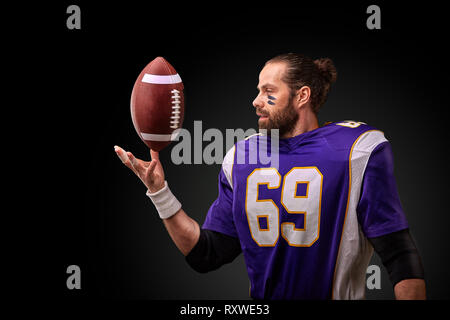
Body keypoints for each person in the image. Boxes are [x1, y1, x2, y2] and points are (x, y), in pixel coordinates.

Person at [114, 53, 425, 300]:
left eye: (268, 91)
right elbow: (205, 254)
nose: (256, 100)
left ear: (302, 96)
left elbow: (399, 256)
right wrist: (160, 192)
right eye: (257, 90)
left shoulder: (358, 149)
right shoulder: (242, 157)